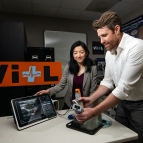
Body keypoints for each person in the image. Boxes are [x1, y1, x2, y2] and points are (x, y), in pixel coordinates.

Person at [75, 11, 143, 143]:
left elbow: (123, 88)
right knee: (120, 138)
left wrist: (94, 111)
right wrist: (91, 98)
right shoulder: (110, 53)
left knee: (138, 139)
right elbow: (107, 81)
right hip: (123, 104)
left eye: (104, 35)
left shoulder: (137, 47)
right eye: (100, 37)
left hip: (140, 106)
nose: (101, 41)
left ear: (117, 29)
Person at [35, 40, 97, 109]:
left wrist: (89, 106)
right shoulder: (68, 66)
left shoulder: (93, 68)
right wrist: (48, 91)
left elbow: (93, 91)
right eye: (75, 53)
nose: (78, 55)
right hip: (69, 103)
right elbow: (61, 85)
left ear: (86, 53)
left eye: (81, 52)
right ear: (72, 55)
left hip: (84, 104)